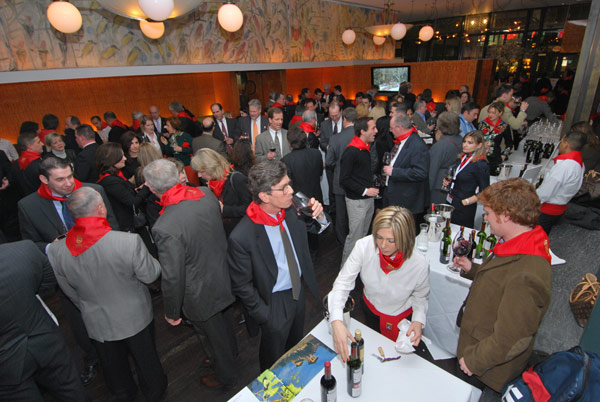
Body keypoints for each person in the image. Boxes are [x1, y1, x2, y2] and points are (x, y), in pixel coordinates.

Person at [47, 187, 167, 402]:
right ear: (101, 208)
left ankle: (124, 393)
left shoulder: (56, 251)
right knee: (147, 362)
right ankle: (154, 393)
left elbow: (68, 291)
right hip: (135, 316)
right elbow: (150, 275)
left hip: (96, 320)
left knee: (114, 369)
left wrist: (88, 303)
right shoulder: (127, 242)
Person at [18, 156, 119, 386]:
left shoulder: (94, 190)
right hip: (65, 277)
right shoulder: (29, 205)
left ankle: (118, 351)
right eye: (60, 179)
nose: (69, 183)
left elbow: (113, 224)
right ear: (44, 179)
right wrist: (51, 246)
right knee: (80, 322)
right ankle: (93, 357)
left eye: (70, 176)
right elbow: (29, 244)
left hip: (102, 266)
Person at [453, 178, 552, 393]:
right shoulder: (518, 242)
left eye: (488, 213)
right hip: (478, 344)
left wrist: (474, 360)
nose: (485, 218)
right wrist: (472, 268)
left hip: (486, 366)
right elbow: (499, 280)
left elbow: (512, 337)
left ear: (506, 215)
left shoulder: (528, 273)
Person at [145, 159, 237, 388]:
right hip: (222, 271)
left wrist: (172, 311)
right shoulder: (205, 194)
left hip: (199, 291)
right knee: (225, 324)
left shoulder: (164, 226)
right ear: (179, 176)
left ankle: (226, 377)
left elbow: (173, 276)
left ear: (151, 188)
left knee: (212, 338)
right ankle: (231, 354)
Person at [228, 161, 324, 371]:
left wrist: (320, 214)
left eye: (289, 184)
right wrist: (266, 316)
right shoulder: (242, 236)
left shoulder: (293, 207)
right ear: (264, 196)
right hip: (274, 301)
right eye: (284, 188)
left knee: (296, 346)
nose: (291, 191)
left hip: (298, 291)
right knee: (273, 359)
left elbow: (320, 227)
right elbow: (241, 285)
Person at [328, 206, 429, 362]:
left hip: (400, 317)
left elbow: (420, 296)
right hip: (370, 309)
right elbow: (343, 283)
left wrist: (417, 320)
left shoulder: (419, 263)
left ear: (406, 238)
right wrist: (336, 320)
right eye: (379, 237)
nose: (382, 245)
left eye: (391, 240)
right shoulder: (364, 246)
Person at [0, 240, 87, 401]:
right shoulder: (23, 251)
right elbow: (48, 282)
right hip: (46, 341)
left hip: (6, 365)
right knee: (72, 392)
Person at [339, 117, 379, 265]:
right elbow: (344, 179)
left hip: (367, 199)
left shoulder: (365, 147)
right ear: (363, 131)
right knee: (354, 237)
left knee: (363, 236)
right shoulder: (352, 151)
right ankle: (345, 273)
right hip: (357, 201)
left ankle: (358, 266)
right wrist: (364, 191)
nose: (376, 131)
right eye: (373, 128)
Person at [282, 126, 325, 258]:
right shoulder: (316, 154)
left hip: (299, 201)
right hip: (316, 195)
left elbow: (289, 184)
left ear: (290, 143)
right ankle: (315, 251)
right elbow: (319, 173)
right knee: (315, 227)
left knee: (302, 231)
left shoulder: (286, 160)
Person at [383, 112, 430, 227]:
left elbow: (420, 173)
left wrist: (394, 172)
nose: (390, 131)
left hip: (406, 201)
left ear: (399, 128)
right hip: (396, 196)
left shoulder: (417, 145)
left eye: (392, 128)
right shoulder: (403, 140)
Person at [191, 148, 252, 236]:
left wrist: (224, 209)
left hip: (240, 233)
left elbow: (250, 208)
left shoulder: (236, 179)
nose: (199, 175)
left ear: (211, 167)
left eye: (201, 171)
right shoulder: (212, 183)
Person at [537, 130, 586, 234]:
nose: (560, 144)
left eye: (561, 142)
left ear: (566, 143)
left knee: (534, 241)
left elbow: (546, 193)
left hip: (547, 210)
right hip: (559, 207)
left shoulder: (565, 166)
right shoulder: (579, 163)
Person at [96, 143, 149, 232]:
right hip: (128, 226)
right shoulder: (110, 181)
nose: (125, 158)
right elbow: (132, 202)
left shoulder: (113, 177)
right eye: (121, 156)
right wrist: (147, 187)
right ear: (112, 159)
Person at [443, 131, 490, 228]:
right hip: (451, 200)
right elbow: (457, 175)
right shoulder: (461, 158)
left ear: (479, 145)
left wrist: (466, 202)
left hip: (465, 207)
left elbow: (485, 191)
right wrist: (448, 180)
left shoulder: (481, 164)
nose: (465, 145)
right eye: (464, 142)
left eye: (470, 143)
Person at [325, 107, 358, 244]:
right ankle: (355, 240)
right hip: (357, 182)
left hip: (339, 181)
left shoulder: (335, 138)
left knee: (341, 215)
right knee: (356, 214)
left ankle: (342, 241)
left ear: (344, 119)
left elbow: (328, 161)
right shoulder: (361, 136)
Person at [429, 111, 463, 204]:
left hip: (439, 186)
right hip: (454, 184)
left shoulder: (440, 146)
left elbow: (431, 172)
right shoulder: (461, 140)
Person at [478, 101, 512, 174]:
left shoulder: (504, 126)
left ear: (500, 113)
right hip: (480, 156)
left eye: (493, 113)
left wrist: (504, 155)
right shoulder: (481, 125)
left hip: (495, 158)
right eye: (489, 112)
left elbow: (509, 143)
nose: (490, 115)